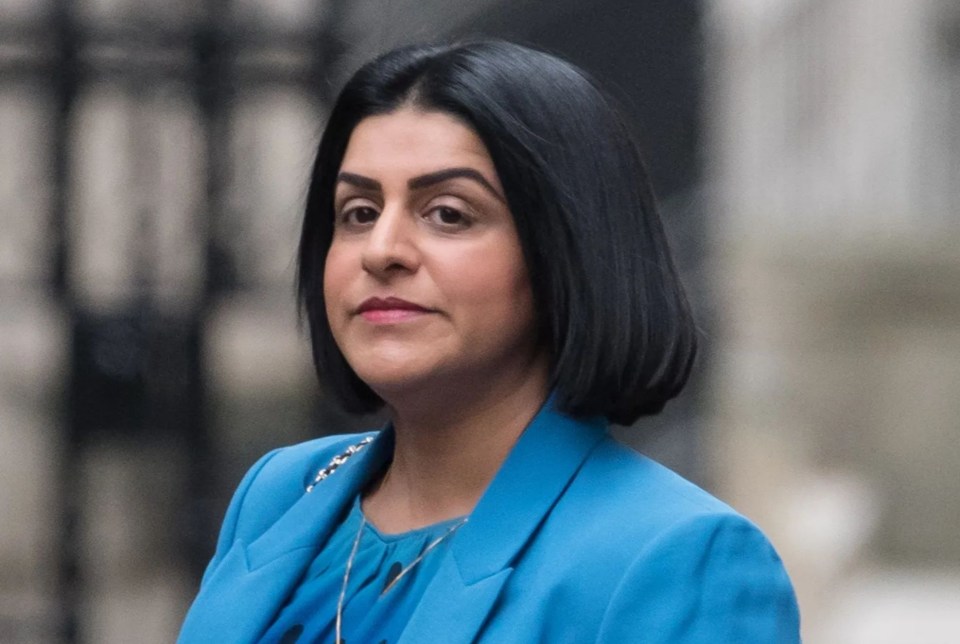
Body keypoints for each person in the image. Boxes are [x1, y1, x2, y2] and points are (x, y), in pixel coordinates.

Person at [178, 40, 800, 643]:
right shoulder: (283, 491)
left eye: (448, 213)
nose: (382, 250)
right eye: (359, 212)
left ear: (564, 253)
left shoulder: (681, 557)